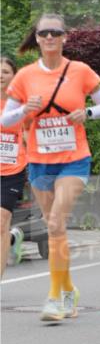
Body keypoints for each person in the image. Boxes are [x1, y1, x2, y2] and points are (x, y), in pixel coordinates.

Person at [1, 15, 100, 321]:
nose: (49, 37)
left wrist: (87, 113)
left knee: (54, 223)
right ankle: (68, 291)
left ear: (65, 37)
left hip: (74, 158)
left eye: (55, 32)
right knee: (55, 227)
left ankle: (55, 298)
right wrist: (24, 110)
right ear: (37, 38)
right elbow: (6, 119)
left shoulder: (80, 70)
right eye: (44, 33)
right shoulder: (25, 76)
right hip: (39, 161)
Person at [1, 56, 29, 276]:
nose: (0, 76)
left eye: (5, 72)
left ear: (14, 76)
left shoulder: (22, 105)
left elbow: (30, 134)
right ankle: (12, 238)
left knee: (1, 221)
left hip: (12, 170)